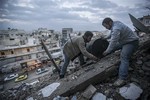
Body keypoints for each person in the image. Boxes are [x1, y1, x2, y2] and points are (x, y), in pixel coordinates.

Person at [102, 17, 139, 86]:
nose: (106, 28)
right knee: (113, 48)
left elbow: (113, 41)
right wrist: (106, 38)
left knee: (124, 57)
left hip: (131, 42)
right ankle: (107, 57)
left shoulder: (116, 28)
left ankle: (122, 78)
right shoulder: (115, 24)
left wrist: (107, 51)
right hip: (124, 41)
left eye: (106, 26)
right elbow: (112, 33)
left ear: (110, 23)